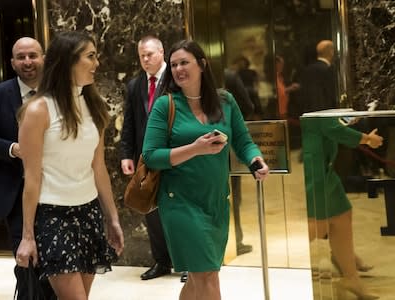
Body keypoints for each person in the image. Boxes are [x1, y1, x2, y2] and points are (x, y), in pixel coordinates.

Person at [142, 39, 269, 300]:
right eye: (174, 64)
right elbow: (151, 156)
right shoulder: (165, 105)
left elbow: (244, 141)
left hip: (216, 202)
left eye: (184, 62)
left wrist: (255, 159)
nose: (178, 69)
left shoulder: (225, 101)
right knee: (207, 276)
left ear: (202, 65)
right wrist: (195, 148)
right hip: (180, 203)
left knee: (203, 275)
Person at [15, 31, 124, 299]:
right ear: (68, 61)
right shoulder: (38, 110)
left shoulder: (94, 105)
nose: (97, 63)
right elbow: (32, 178)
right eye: (90, 56)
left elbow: (98, 168)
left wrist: (113, 218)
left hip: (88, 212)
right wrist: (27, 236)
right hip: (53, 216)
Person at [0, 37, 56, 299]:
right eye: (21, 57)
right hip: (13, 194)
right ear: (12, 63)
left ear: (44, 58)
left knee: (54, 265)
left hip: (55, 192)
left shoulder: (58, 93)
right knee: (27, 263)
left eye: (33, 56)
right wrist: (14, 149)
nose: (28, 62)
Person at [119, 35, 186, 282]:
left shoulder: (176, 79)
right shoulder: (135, 85)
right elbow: (129, 123)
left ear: (162, 52)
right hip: (146, 160)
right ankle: (162, 261)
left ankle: (187, 263)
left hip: (175, 156)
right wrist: (126, 154)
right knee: (152, 212)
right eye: (141, 56)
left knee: (179, 211)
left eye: (149, 54)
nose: (145, 59)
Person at [302, 116, 383, 300]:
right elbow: (329, 125)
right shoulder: (317, 92)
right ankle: (275, 266)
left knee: (342, 214)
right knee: (319, 226)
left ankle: (351, 276)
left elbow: (331, 121)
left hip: (323, 164)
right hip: (316, 167)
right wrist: (367, 139)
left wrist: (344, 119)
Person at [223, 68, 254, 255]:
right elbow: (248, 107)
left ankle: (230, 242)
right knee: (234, 194)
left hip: (219, 147)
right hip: (229, 144)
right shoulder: (230, 75)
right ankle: (237, 240)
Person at [301, 40, 337, 113]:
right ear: (331, 52)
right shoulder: (328, 69)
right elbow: (331, 93)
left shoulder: (308, 69)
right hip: (327, 112)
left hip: (309, 112)